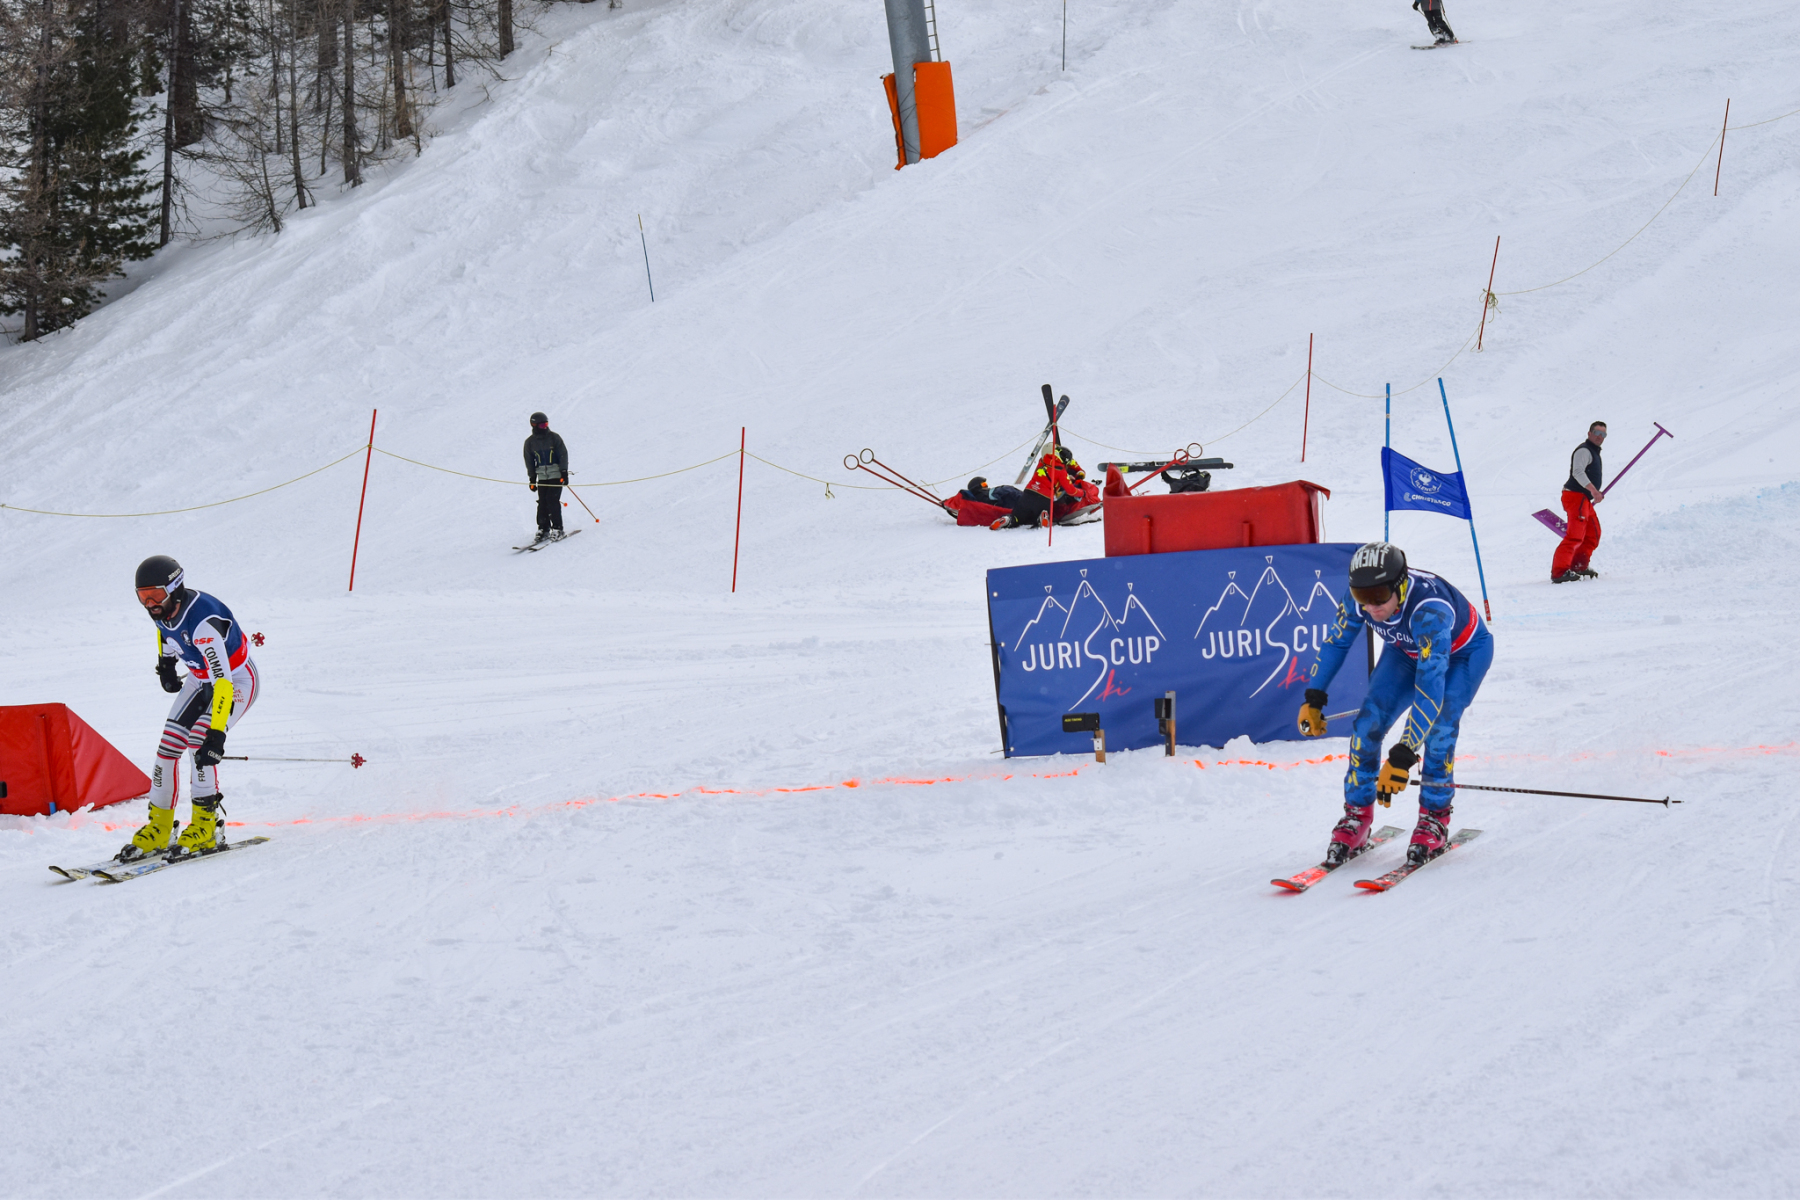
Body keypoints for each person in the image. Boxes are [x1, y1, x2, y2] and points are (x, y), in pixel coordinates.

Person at [1297, 541, 1493, 865]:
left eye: (1379, 596)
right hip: (1406, 651)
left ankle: (1434, 817)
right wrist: (1314, 698)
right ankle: (1357, 815)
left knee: (1440, 727)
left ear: (1400, 586)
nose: (1371, 607)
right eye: (1362, 596)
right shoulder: (1363, 598)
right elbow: (1336, 642)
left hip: (1462, 654)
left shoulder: (1430, 611)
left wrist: (1403, 756)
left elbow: (1429, 690)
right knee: (1367, 724)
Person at [121, 556, 261, 862]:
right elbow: (164, 628)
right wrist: (166, 662)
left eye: (155, 595)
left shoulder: (202, 625)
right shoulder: (163, 607)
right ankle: (159, 826)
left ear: (174, 589)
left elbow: (222, 683)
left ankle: (205, 824)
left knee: (199, 741)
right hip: (200, 678)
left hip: (236, 679)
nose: (149, 603)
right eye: (142, 596)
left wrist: (217, 735)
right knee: (167, 747)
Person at [1552, 421, 1606, 583]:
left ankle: (1578, 566)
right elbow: (1578, 472)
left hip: (1584, 499)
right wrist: (1594, 490)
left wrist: (1592, 492)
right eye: (1597, 433)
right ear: (1589, 433)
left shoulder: (1594, 452)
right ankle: (1560, 572)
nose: (1600, 437)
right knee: (1575, 536)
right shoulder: (1584, 450)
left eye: (1603, 434)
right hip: (1575, 496)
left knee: (1592, 534)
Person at [992, 445, 1078, 530]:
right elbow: (1071, 490)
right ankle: (1042, 516)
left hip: (1028, 493)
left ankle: (1008, 520)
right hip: (1045, 498)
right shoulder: (1061, 472)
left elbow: (1050, 469)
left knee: (1017, 517)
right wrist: (1082, 493)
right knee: (1035, 517)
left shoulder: (1042, 461)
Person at [523, 412, 569, 542]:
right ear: (534, 425)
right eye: (542, 425)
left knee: (552, 500)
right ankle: (543, 528)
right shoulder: (530, 442)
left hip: (556, 474)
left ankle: (558, 528)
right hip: (542, 477)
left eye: (546, 424)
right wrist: (532, 479)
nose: (545, 427)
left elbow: (563, 454)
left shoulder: (554, 438)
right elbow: (529, 461)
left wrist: (564, 472)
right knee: (542, 502)